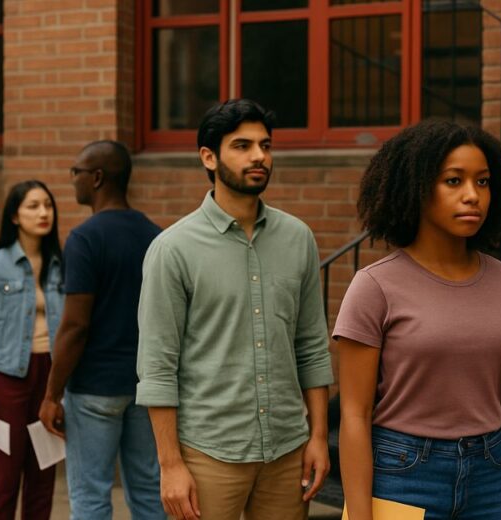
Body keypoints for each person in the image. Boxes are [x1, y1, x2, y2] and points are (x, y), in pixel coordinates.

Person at [136, 99, 333, 520]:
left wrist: (318, 436)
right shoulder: (172, 250)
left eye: (265, 145)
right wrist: (171, 465)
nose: (259, 156)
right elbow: (157, 366)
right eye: (242, 145)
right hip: (208, 453)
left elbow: (312, 347)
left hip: (287, 450)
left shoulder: (298, 238)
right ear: (209, 157)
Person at [335, 120, 501, 520]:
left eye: (482, 182)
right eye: (453, 181)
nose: (472, 196)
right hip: (404, 473)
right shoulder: (375, 286)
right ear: (416, 187)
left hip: (490, 476)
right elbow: (354, 415)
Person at [37, 140, 165, 520]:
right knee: (148, 493)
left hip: (94, 389)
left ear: (96, 178)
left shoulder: (84, 238)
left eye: (75, 172)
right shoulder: (155, 235)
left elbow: (75, 325)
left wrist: (51, 394)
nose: (72, 179)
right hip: (146, 386)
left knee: (90, 496)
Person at [0, 180, 65, 520]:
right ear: (14, 216)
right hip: (7, 382)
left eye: (48, 205)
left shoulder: (61, 266)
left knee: (43, 475)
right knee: (3, 479)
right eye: (33, 206)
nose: (43, 213)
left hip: (50, 382)